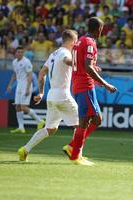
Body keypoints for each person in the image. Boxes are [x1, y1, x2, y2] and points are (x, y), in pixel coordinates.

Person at [17, 29, 79, 162]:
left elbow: (42, 73)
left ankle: (25, 150)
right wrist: (80, 63)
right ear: (73, 42)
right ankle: (75, 153)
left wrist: (41, 92)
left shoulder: (53, 54)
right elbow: (67, 60)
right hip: (63, 95)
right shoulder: (65, 52)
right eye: (76, 41)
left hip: (51, 96)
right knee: (81, 124)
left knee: (50, 129)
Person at [63, 17, 117, 165]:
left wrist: (93, 75)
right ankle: (75, 155)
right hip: (84, 86)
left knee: (97, 119)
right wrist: (105, 84)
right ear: (98, 29)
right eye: (102, 30)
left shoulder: (79, 41)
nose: (102, 32)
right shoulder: (89, 42)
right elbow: (87, 67)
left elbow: (80, 65)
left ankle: (73, 147)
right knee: (84, 121)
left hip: (81, 84)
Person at [6, 46, 45, 134]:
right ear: (15, 53)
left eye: (21, 52)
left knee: (23, 107)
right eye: (18, 52)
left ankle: (40, 121)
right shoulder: (14, 62)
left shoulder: (26, 62)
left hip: (26, 86)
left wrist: (28, 89)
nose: (19, 53)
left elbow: (30, 76)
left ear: (23, 53)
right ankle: (21, 127)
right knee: (17, 107)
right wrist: (10, 85)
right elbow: (15, 74)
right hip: (19, 86)